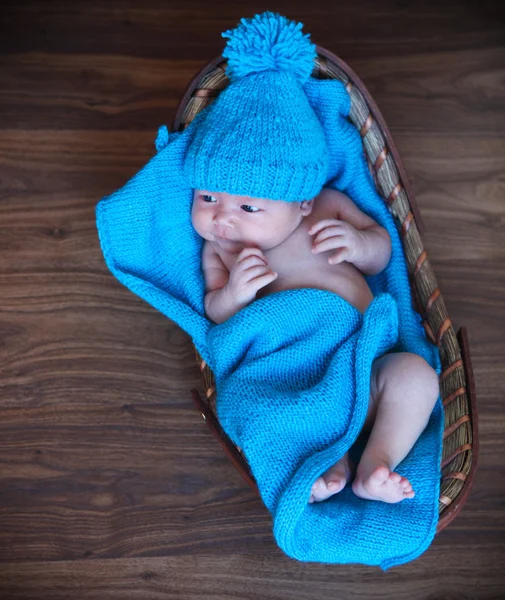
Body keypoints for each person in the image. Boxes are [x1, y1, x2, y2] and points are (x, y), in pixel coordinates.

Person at [191, 184, 440, 504]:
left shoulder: (328, 205)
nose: (222, 219)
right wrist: (233, 294)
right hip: (293, 373)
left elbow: (381, 253)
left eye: (249, 208)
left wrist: (360, 244)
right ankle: (330, 460)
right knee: (251, 406)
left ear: (303, 202)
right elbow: (216, 311)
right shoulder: (220, 248)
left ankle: (376, 461)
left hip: (362, 368)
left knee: (415, 376)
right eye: (208, 198)